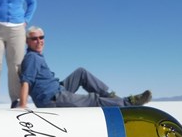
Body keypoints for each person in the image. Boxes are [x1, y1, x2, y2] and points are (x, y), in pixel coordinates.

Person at [18, 26, 152, 108]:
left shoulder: (36, 56)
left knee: (81, 73)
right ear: (27, 41)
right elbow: (26, 81)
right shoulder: (32, 57)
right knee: (93, 100)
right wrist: (23, 104)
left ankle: (111, 96)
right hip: (52, 99)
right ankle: (127, 103)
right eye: (34, 39)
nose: (39, 41)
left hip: (57, 89)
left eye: (41, 37)